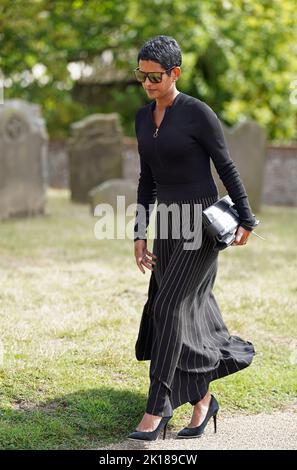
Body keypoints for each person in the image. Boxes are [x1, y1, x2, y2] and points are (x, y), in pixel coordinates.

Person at [128, 35, 257, 441]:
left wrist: (247, 219)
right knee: (177, 309)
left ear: (175, 73)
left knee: (169, 308)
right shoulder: (141, 118)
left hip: (199, 224)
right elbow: (146, 179)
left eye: (155, 76)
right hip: (166, 222)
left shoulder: (198, 114)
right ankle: (203, 402)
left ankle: (157, 408)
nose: (148, 83)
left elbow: (227, 167)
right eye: (142, 75)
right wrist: (139, 233)